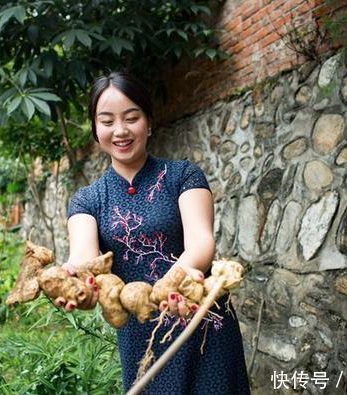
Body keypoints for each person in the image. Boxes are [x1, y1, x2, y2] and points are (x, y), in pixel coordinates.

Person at [61, 71, 251, 394]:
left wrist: (172, 285)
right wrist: (74, 278)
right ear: (95, 129)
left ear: (148, 122)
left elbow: (201, 242)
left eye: (131, 118)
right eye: (107, 121)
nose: (120, 130)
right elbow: (85, 257)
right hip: (143, 339)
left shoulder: (184, 176)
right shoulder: (87, 200)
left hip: (202, 323)